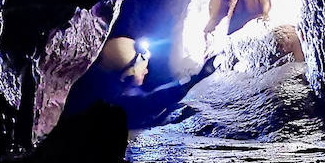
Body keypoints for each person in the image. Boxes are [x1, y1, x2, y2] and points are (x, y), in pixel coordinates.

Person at [63, 34, 216, 128]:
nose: (147, 71)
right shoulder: (119, 102)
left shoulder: (109, 90)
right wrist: (195, 79)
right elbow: (150, 101)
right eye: (143, 69)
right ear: (128, 73)